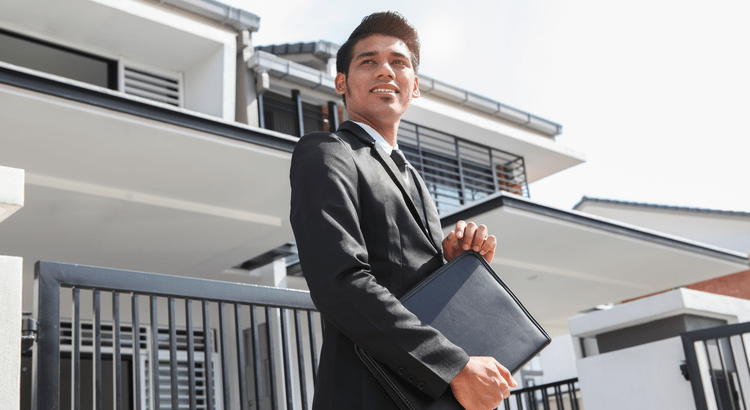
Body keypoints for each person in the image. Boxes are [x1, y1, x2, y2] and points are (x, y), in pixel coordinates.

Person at [289, 11, 517, 410]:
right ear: (342, 82)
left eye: (399, 62)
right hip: (366, 394)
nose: (385, 71)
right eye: (368, 61)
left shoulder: (411, 175)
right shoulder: (326, 152)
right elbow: (340, 283)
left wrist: (456, 267)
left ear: (414, 87)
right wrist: (455, 367)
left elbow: (408, 286)